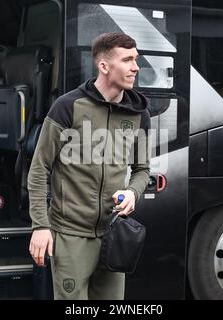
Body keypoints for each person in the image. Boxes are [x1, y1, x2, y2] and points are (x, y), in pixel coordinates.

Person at [27, 32, 151, 300]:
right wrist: (40, 226)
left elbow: (142, 170)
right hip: (70, 235)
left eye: (136, 59)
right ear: (104, 66)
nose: (135, 67)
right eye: (127, 59)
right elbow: (39, 169)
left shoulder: (139, 114)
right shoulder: (68, 106)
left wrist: (132, 192)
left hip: (113, 234)